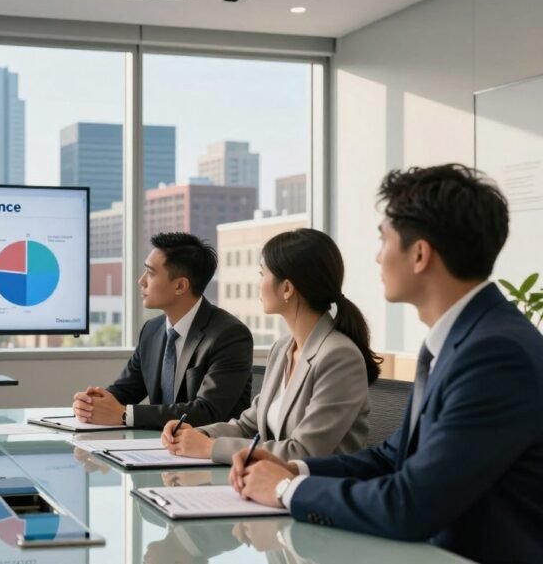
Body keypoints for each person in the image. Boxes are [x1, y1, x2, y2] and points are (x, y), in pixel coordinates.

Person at [231, 164, 543, 564]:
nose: (378, 257)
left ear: (419, 254)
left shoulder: (496, 353)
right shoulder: (459, 340)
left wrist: (284, 490)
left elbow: (410, 504)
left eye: (384, 240)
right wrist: (293, 470)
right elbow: (388, 459)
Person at [161, 229, 378, 463]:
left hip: (320, 483)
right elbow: (248, 426)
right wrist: (198, 434)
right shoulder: (282, 349)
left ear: (287, 288)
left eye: (262, 274)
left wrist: (210, 447)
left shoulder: (339, 356)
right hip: (271, 480)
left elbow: (304, 452)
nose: (258, 283)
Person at [73, 232, 253, 430]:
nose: (141, 281)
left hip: (208, 446)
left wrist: (125, 415)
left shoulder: (229, 335)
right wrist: (93, 403)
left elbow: (208, 411)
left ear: (180, 286)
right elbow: (127, 390)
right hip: (157, 443)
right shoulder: (152, 330)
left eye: (150, 273)